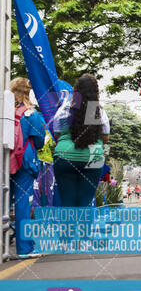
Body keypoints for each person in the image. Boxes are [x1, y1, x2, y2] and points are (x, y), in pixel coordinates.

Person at [53, 74, 110, 207]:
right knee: (85, 204)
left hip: (64, 157)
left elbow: (57, 134)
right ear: (96, 92)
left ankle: (69, 228)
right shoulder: (99, 111)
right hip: (93, 158)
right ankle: (85, 228)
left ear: (75, 90)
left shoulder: (64, 109)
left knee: (67, 202)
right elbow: (105, 137)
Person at [9, 78, 46, 258]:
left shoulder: (4, 112)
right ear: (28, 92)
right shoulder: (31, 113)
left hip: (4, 162)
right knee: (23, 203)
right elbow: (39, 141)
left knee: (3, 203)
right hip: (24, 160)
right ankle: (25, 249)